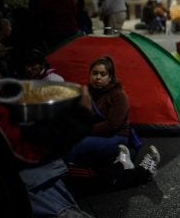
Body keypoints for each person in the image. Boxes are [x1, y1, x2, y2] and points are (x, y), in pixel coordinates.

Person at [65, 56, 160, 186]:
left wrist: (85, 130)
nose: (98, 77)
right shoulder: (87, 93)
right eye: (94, 73)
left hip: (117, 136)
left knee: (79, 146)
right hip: (95, 133)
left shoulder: (118, 95)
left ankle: (67, 175)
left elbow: (113, 125)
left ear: (110, 77)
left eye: (102, 74)